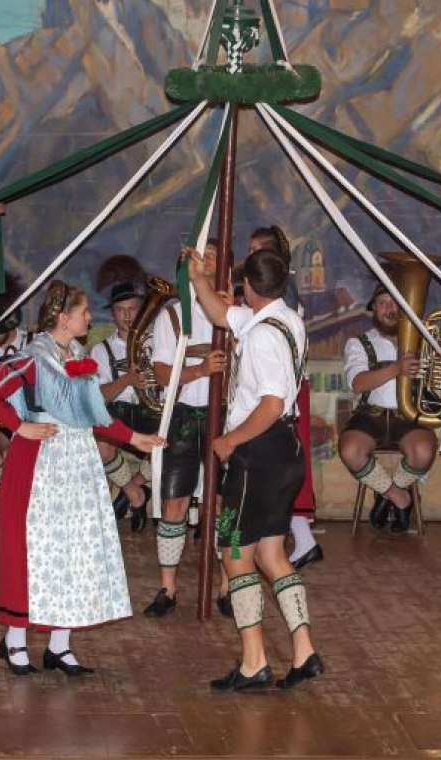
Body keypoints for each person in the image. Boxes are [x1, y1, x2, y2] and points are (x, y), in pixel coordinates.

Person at [0, 280, 164, 676]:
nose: (90, 318)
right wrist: (18, 425)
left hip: (75, 464)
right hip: (39, 460)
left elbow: (94, 414)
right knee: (31, 549)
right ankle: (15, 641)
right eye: (83, 312)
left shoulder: (79, 356)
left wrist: (134, 438)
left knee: (72, 551)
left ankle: (59, 645)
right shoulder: (33, 358)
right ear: (63, 318)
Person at [187, 245, 323, 691]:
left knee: (234, 554)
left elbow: (271, 403)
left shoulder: (263, 335)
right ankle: (304, 652)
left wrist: (229, 441)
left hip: (257, 454)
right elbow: (222, 314)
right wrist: (198, 279)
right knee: (271, 554)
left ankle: (253, 661)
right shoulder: (284, 320)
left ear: (247, 287)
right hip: (285, 452)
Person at [143, 239, 227, 618]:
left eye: (213, 256)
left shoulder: (235, 312)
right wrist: (199, 370)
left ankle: (229, 584)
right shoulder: (173, 316)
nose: (208, 262)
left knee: (226, 506)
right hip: (183, 417)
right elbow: (161, 375)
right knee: (174, 501)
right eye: (202, 257)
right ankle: (167, 587)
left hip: (225, 417)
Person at [248, 225, 322, 569]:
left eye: (255, 250)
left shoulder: (281, 297)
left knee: (280, 460)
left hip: (281, 390)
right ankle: (300, 538)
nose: (250, 256)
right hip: (280, 386)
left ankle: (295, 539)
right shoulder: (282, 293)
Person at [338, 284, 437, 534]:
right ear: (374, 310)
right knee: (350, 450)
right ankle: (400, 497)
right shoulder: (359, 342)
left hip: (410, 416)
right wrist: (396, 369)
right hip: (370, 415)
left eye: (395, 302)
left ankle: (384, 495)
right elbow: (357, 383)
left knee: (424, 452)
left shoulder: (424, 340)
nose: (389, 308)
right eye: (382, 303)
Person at [90, 282, 157, 532]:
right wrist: (127, 379)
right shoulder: (100, 349)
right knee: (101, 444)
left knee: (171, 440)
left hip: (151, 412)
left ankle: (133, 489)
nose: (127, 316)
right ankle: (136, 494)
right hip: (119, 414)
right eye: (121, 310)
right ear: (112, 314)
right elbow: (98, 396)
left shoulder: (156, 343)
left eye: (132, 309)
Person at [0, 273, 32, 500]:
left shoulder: (33, 343)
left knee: (18, 451)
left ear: (11, 325)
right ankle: (9, 500)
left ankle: (19, 500)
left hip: (30, 418)